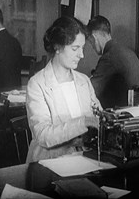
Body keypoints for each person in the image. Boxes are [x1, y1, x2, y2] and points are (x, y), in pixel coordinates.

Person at [25, 16, 101, 163]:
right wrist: (84, 122)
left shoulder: (84, 81)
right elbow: (43, 136)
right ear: (57, 47)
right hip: (48, 163)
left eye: (82, 48)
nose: (82, 55)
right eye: (75, 48)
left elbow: (98, 122)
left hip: (83, 161)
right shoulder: (37, 84)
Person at [87, 15, 139, 109]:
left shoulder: (109, 57)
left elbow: (92, 90)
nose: (92, 46)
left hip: (120, 112)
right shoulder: (128, 51)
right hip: (136, 109)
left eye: (91, 42)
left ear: (94, 38)